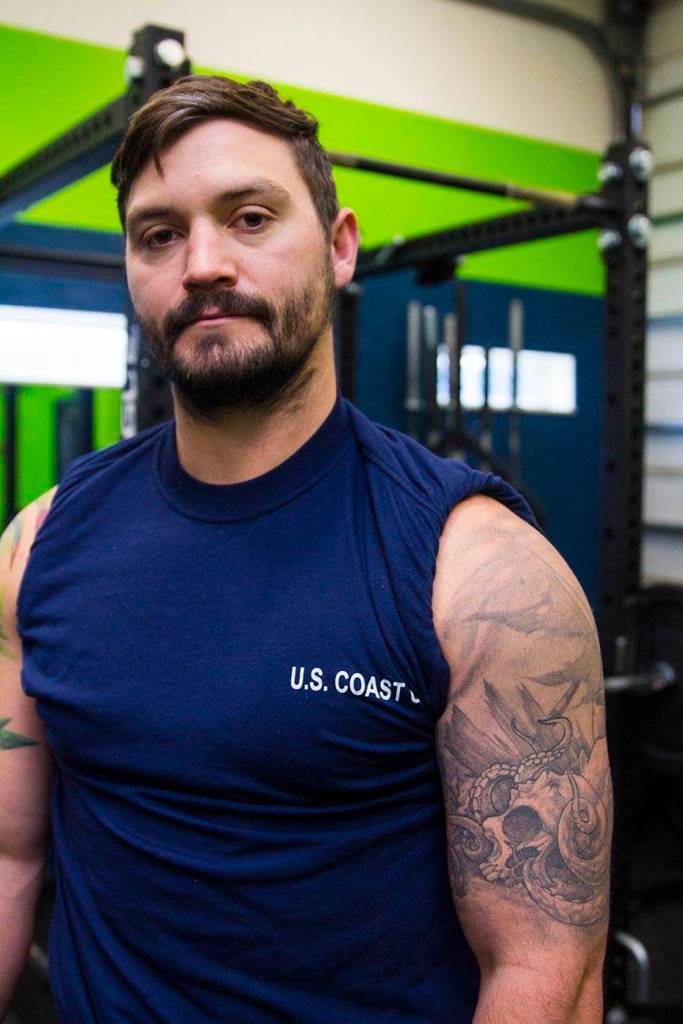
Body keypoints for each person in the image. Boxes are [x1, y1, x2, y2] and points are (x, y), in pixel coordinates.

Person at [0, 75, 612, 1024]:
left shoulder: (484, 575)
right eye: (159, 234)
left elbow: (545, 969)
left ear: (338, 249)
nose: (202, 262)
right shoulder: (40, 544)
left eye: (249, 218)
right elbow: (8, 857)